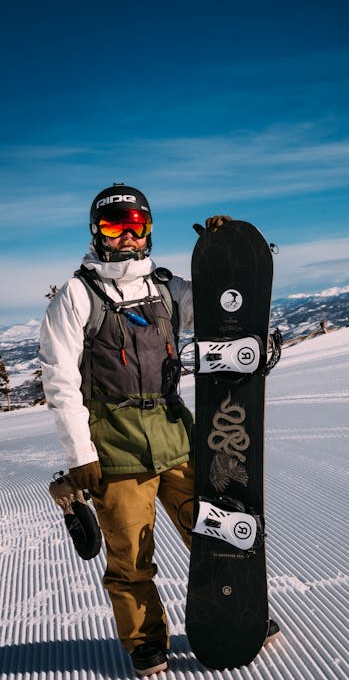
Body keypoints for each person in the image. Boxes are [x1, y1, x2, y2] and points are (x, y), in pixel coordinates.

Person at [39, 184, 278, 677]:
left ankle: (239, 610)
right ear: (97, 233)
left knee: (214, 527)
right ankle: (146, 640)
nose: (126, 239)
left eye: (135, 227)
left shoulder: (167, 289)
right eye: (113, 227)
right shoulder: (76, 296)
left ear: (147, 231)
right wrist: (80, 452)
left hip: (176, 434)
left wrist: (223, 251)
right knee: (130, 552)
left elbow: (224, 307)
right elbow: (59, 380)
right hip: (114, 442)